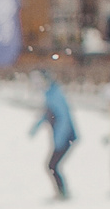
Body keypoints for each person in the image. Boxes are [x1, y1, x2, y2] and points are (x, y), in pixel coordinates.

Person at [28, 70, 77, 199]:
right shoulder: (49, 94)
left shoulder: (55, 95)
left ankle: (63, 194)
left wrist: (59, 139)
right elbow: (47, 114)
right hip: (62, 137)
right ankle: (62, 193)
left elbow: (63, 118)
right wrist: (35, 127)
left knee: (52, 165)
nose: (37, 85)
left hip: (67, 136)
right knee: (52, 166)